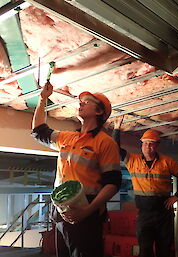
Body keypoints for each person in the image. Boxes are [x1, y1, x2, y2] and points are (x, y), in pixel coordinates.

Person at [31, 81, 122, 257]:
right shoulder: (68, 137)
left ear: (99, 111)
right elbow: (38, 131)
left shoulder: (105, 142)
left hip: (86, 210)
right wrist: (42, 99)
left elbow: (113, 183)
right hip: (61, 211)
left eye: (87, 101)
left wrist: (87, 211)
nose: (81, 103)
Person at [112, 116, 178, 257]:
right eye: (146, 143)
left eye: (152, 143)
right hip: (144, 215)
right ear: (141, 145)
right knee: (145, 251)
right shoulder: (132, 160)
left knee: (164, 251)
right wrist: (117, 128)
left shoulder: (167, 162)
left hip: (163, 215)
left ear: (157, 146)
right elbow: (114, 148)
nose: (148, 146)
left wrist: (176, 196)